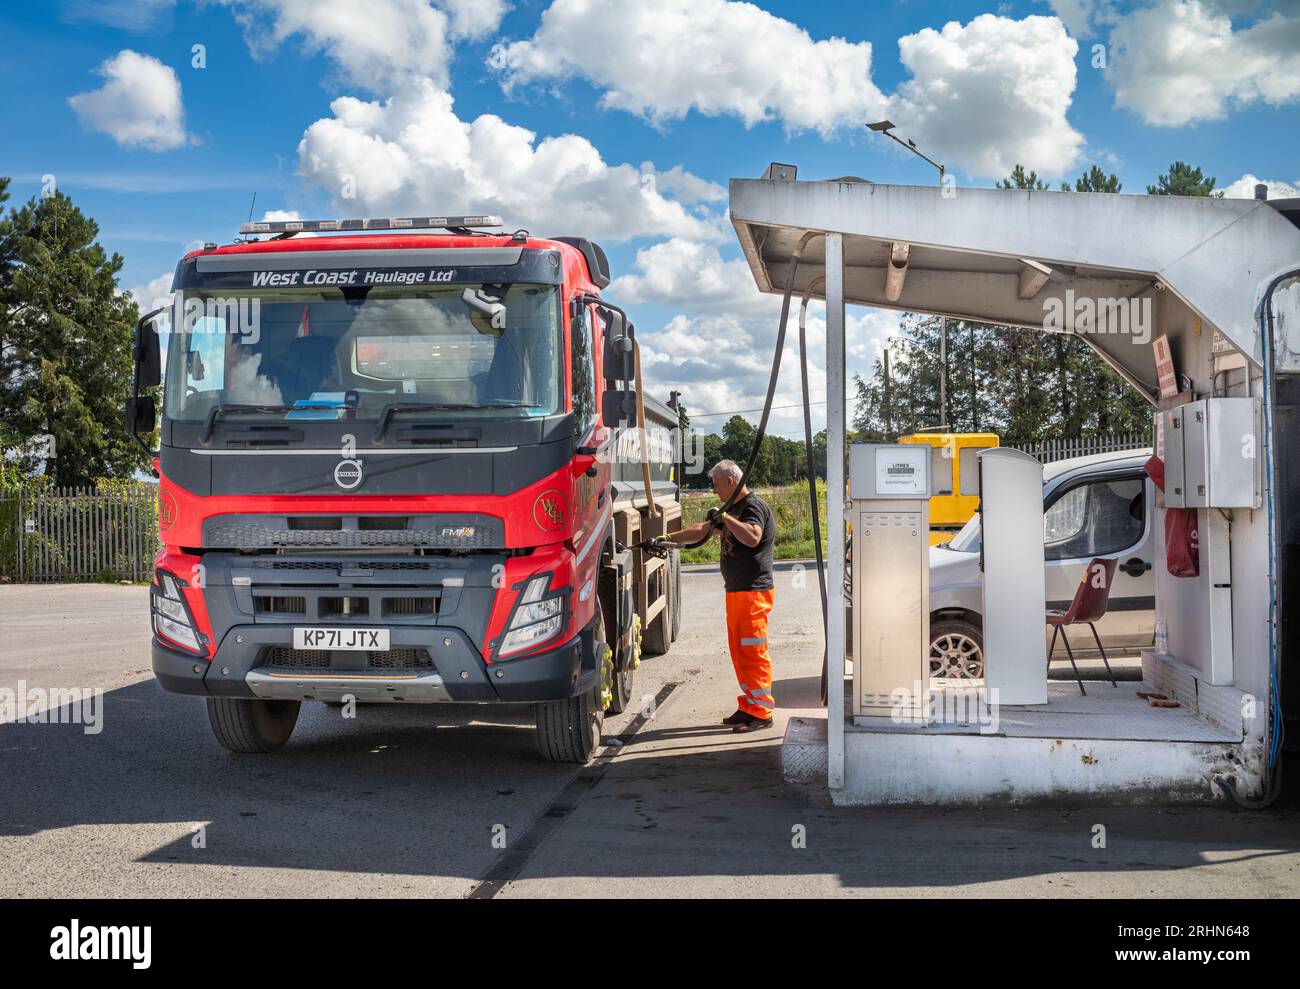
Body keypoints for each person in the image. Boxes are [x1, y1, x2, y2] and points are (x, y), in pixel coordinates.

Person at [659, 460, 776, 733]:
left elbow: (753, 537)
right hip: (737, 591)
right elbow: (703, 529)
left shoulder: (752, 507)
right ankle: (749, 706)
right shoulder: (732, 509)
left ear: (730, 481)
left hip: (753, 592)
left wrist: (725, 518)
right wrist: (667, 538)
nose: (714, 491)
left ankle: (762, 712)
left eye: (716, 485)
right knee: (740, 653)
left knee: (754, 652)